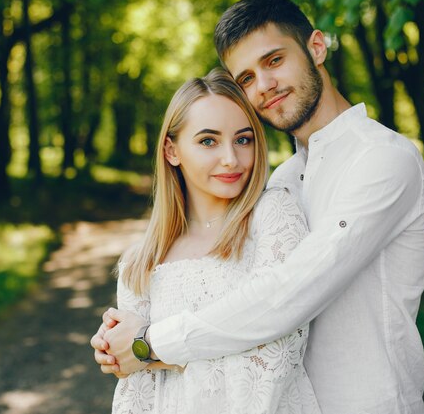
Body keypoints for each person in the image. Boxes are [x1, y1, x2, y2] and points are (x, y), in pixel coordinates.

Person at [92, 0, 424, 413]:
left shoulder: (382, 159)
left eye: (274, 60)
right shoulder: (285, 179)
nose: (264, 85)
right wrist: (126, 343)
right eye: (247, 77)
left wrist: (149, 342)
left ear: (316, 47)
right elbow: (243, 317)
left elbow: (287, 295)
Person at [109, 67, 320, 414]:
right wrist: (136, 352)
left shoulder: (274, 215)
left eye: (243, 139)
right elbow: (136, 391)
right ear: (172, 151)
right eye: (208, 140)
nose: (231, 159)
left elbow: (274, 359)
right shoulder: (141, 260)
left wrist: (157, 353)